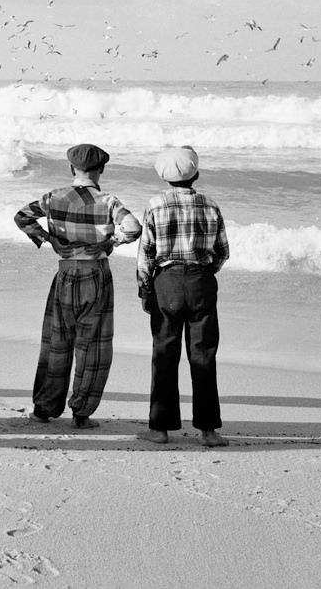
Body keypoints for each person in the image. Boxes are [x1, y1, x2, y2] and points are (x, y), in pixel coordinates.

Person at [14, 144, 141, 428]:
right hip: (95, 273)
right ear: (101, 169)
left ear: (72, 169)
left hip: (65, 272)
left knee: (57, 343)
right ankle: (81, 413)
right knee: (92, 346)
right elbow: (133, 228)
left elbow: (22, 217)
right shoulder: (108, 201)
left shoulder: (53, 197)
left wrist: (48, 238)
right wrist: (111, 243)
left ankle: (44, 409)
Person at [136, 146, 229, 447]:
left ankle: (160, 429)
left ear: (164, 178)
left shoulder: (156, 204)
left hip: (167, 282)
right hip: (201, 282)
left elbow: (146, 254)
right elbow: (222, 251)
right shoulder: (210, 205)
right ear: (196, 174)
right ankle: (208, 430)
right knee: (203, 355)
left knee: (164, 355)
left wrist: (145, 289)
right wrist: (205, 273)